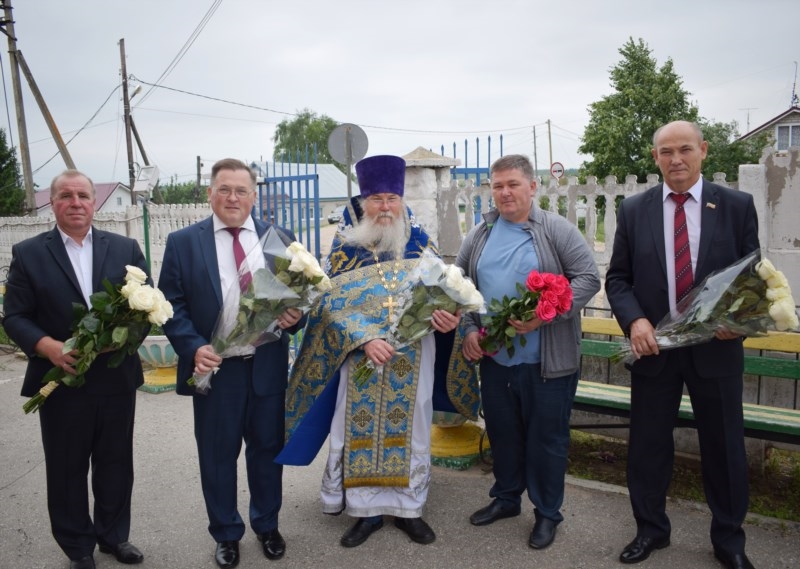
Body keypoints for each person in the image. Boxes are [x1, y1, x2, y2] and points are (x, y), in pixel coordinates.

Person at [278, 155, 479, 548]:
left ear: (401, 200)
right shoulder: (343, 249)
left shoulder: (421, 242)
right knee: (355, 427)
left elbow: (445, 296)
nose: (385, 207)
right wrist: (364, 337)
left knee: (413, 426)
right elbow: (328, 307)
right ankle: (364, 513)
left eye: (392, 198)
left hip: (413, 356)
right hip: (359, 358)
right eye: (376, 199)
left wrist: (448, 318)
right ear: (362, 200)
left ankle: (409, 509)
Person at [605, 121, 759, 569]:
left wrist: (738, 320)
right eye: (666, 151)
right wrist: (634, 321)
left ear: (703, 151)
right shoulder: (635, 210)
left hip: (716, 348)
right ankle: (651, 530)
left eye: (685, 150)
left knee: (725, 447)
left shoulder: (735, 206)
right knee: (649, 446)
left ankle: (729, 539)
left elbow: (752, 276)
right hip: (655, 351)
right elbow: (618, 279)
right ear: (655, 158)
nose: (676, 159)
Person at [159, 158, 302, 568]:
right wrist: (191, 347)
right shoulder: (185, 242)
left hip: (266, 367)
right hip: (216, 370)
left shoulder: (279, 240)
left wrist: (295, 318)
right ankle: (225, 533)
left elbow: (296, 300)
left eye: (241, 190)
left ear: (254, 195)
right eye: (224, 189)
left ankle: (267, 525)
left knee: (266, 451)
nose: (233, 197)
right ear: (210, 193)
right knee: (218, 456)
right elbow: (173, 305)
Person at [4, 170, 148, 569]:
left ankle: (114, 537)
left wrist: (120, 340)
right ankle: (78, 547)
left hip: (115, 378)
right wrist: (46, 346)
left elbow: (146, 309)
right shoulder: (30, 253)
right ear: (52, 203)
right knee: (67, 467)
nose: (76, 202)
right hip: (61, 381)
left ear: (93, 202)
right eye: (65, 196)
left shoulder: (125, 249)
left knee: (116, 461)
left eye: (82, 195)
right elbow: (14, 316)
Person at [455, 154, 600, 550]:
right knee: (503, 435)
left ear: (532, 186)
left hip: (547, 363)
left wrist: (545, 314)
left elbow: (589, 278)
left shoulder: (556, 230)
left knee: (547, 440)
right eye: (497, 185)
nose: (504, 192)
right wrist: (470, 329)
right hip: (497, 360)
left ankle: (547, 514)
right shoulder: (480, 234)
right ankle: (506, 500)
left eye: (513, 184)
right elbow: (460, 284)